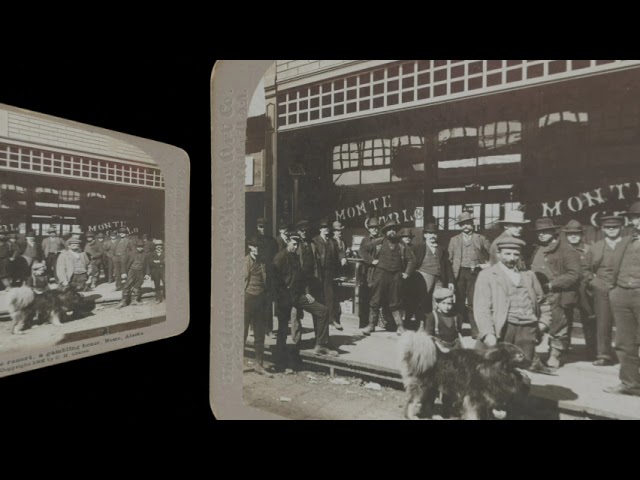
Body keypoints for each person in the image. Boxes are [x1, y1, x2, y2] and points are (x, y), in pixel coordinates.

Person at [474, 237, 555, 374]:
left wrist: (543, 323)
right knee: (490, 372)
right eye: (507, 254)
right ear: (499, 254)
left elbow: (543, 302)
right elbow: (482, 308)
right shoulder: (487, 275)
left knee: (520, 372)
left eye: (516, 254)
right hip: (503, 329)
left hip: (527, 330)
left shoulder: (529, 276)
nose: (512, 258)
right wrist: (488, 333)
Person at [272, 231, 337, 370]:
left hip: (298, 295)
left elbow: (301, 277)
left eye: (297, 245)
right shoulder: (279, 258)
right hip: (285, 297)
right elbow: (273, 281)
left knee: (323, 311)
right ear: (288, 241)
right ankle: (280, 357)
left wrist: (307, 293)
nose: (296, 247)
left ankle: (320, 345)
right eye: (294, 244)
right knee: (283, 327)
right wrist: (281, 296)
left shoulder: (295, 257)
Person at [529, 218, 581, 370]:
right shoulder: (537, 248)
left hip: (557, 294)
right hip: (538, 294)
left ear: (553, 231)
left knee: (559, 326)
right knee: (537, 323)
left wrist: (552, 285)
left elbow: (574, 274)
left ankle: (555, 355)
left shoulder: (567, 250)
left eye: (545, 231)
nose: (542, 235)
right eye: (539, 232)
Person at [603, 201, 640, 397]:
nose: (638, 221)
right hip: (622, 294)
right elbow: (611, 268)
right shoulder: (625, 241)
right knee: (624, 342)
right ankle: (630, 384)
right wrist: (613, 290)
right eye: (636, 217)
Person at [361, 219, 417, 336]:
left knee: (396, 301)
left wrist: (406, 273)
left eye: (394, 229)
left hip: (396, 276)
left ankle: (400, 327)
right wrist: (372, 261)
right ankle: (371, 325)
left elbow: (411, 260)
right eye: (389, 229)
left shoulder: (402, 244)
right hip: (380, 274)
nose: (392, 231)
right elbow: (363, 250)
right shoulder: (378, 242)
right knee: (375, 299)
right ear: (385, 231)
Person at [447, 212, 491, 338]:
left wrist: (485, 266)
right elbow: (449, 260)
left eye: (468, 223)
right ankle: (458, 329)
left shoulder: (481, 238)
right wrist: (450, 278)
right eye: (463, 224)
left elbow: (493, 252)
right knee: (459, 301)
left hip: (475, 273)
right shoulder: (454, 240)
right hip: (459, 273)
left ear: (472, 224)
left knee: (474, 302)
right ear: (460, 226)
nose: (466, 226)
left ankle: (475, 331)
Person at [563, 220, 597, 362]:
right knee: (565, 318)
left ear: (581, 235)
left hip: (585, 288)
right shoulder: (562, 249)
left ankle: (592, 349)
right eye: (570, 234)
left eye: (576, 234)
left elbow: (595, 267)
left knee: (589, 318)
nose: (573, 237)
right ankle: (563, 348)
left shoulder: (590, 249)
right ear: (566, 235)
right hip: (567, 288)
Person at [410, 223, 454, 328]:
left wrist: (451, 281)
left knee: (438, 301)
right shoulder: (418, 247)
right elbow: (411, 262)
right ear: (425, 235)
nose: (433, 236)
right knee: (421, 300)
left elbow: (447, 266)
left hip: (439, 278)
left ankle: (436, 326)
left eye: (434, 233)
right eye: (430, 233)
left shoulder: (441, 248)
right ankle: (420, 324)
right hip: (424, 275)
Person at [244, 237, 273, 377]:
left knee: (260, 333)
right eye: (254, 247)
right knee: (242, 332)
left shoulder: (263, 262)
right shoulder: (244, 261)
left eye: (259, 247)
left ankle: (259, 364)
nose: (257, 249)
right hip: (247, 299)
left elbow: (267, 279)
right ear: (250, 247)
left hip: (260, 299)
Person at [313, 218, 345, 330]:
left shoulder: (332, 241)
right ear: (320, 229)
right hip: (318, 272)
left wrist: (343, 258)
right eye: (323, 228)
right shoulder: (315, 241)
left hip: (329, 273)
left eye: (327, 228)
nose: (325, 230)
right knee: (318, 297)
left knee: (330, 296)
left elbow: (339, 252)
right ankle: (320, 320)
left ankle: (332, 319)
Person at [358, 217, 381, 329]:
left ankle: (376, 322)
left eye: (376, 227)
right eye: (372, 228)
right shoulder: (365, 240)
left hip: (380, 271)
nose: (374, 230)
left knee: (378, 296)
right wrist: (372, 260)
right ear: (369, 229)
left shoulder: (382, 239)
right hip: (368, 272)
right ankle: (365, 322)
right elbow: (362, 252)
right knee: (366, 296)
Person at [117, 240, 151, 308]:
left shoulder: (145, 254)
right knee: (127, 285)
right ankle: (123, 301)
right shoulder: (130, 253)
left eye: (141, 247)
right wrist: (123, 272)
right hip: (132, 271)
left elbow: (147, 264)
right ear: (136, 247)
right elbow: (123, 263)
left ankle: (134, 300)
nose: (140, 248)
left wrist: (147, 274)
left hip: (141, 272)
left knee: (137, 285)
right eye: (138, 246)